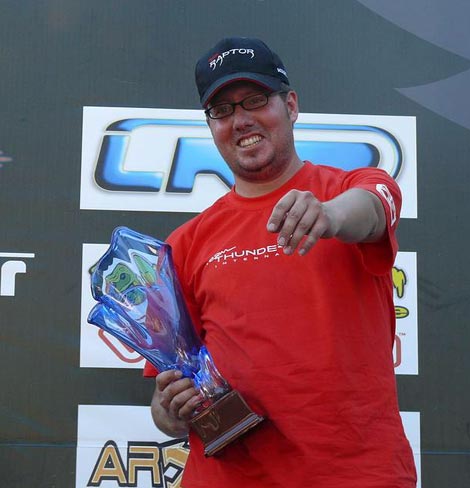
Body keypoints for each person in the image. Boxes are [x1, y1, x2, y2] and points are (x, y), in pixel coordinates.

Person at [145, 37, 417, 488]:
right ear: (211, 125)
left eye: (255, 100)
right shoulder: (185, 244)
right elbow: (165, 401)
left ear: (290, 105)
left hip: (357, 474)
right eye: (222, 110)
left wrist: (329, 216)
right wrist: (170, 410)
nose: (241, 120)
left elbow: (372, 210)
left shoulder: (351, 188)